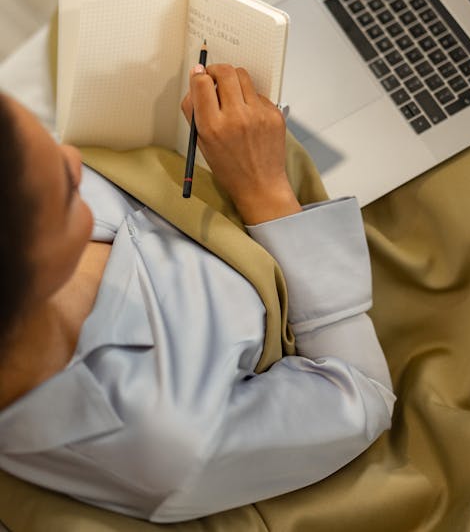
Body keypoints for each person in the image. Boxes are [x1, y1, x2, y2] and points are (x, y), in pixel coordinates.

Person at [0, 63, 395, 523]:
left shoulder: (22, 214)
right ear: (36, 269)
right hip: (332, 248)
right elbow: (362, 394)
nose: (71, 157)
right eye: (67, 190)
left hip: (223, 140)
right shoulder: (170, 440)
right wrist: (266, 193)